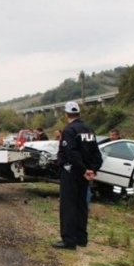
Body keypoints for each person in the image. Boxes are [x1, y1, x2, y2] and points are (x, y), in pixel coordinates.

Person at [53, 101, 103, 250]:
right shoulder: (89, 130)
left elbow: (72, 153)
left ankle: (69, 240)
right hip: (84, 175)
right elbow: (96, 154)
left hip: (71, 173)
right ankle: (82, 237)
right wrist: (92, 169)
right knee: (81, 205)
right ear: (79, 113)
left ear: (66, 114)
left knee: (68, 206)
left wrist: (83, 170)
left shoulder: (69, 130)